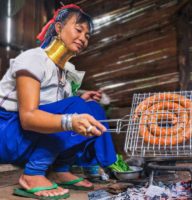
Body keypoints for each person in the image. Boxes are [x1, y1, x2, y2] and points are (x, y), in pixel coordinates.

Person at [0, 4, 117, 199]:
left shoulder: (63, 72)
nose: (83, 39)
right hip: (6, 133)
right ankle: (34, 174)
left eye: (87, 36)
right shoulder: (33, 59)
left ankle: (61, 169)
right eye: (78, 30)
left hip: (25, 138)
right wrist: (72, 117)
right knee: (78, 109)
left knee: (92, 108)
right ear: (59, 28)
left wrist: (79, 100)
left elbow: (52, 106)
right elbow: (28, 117)